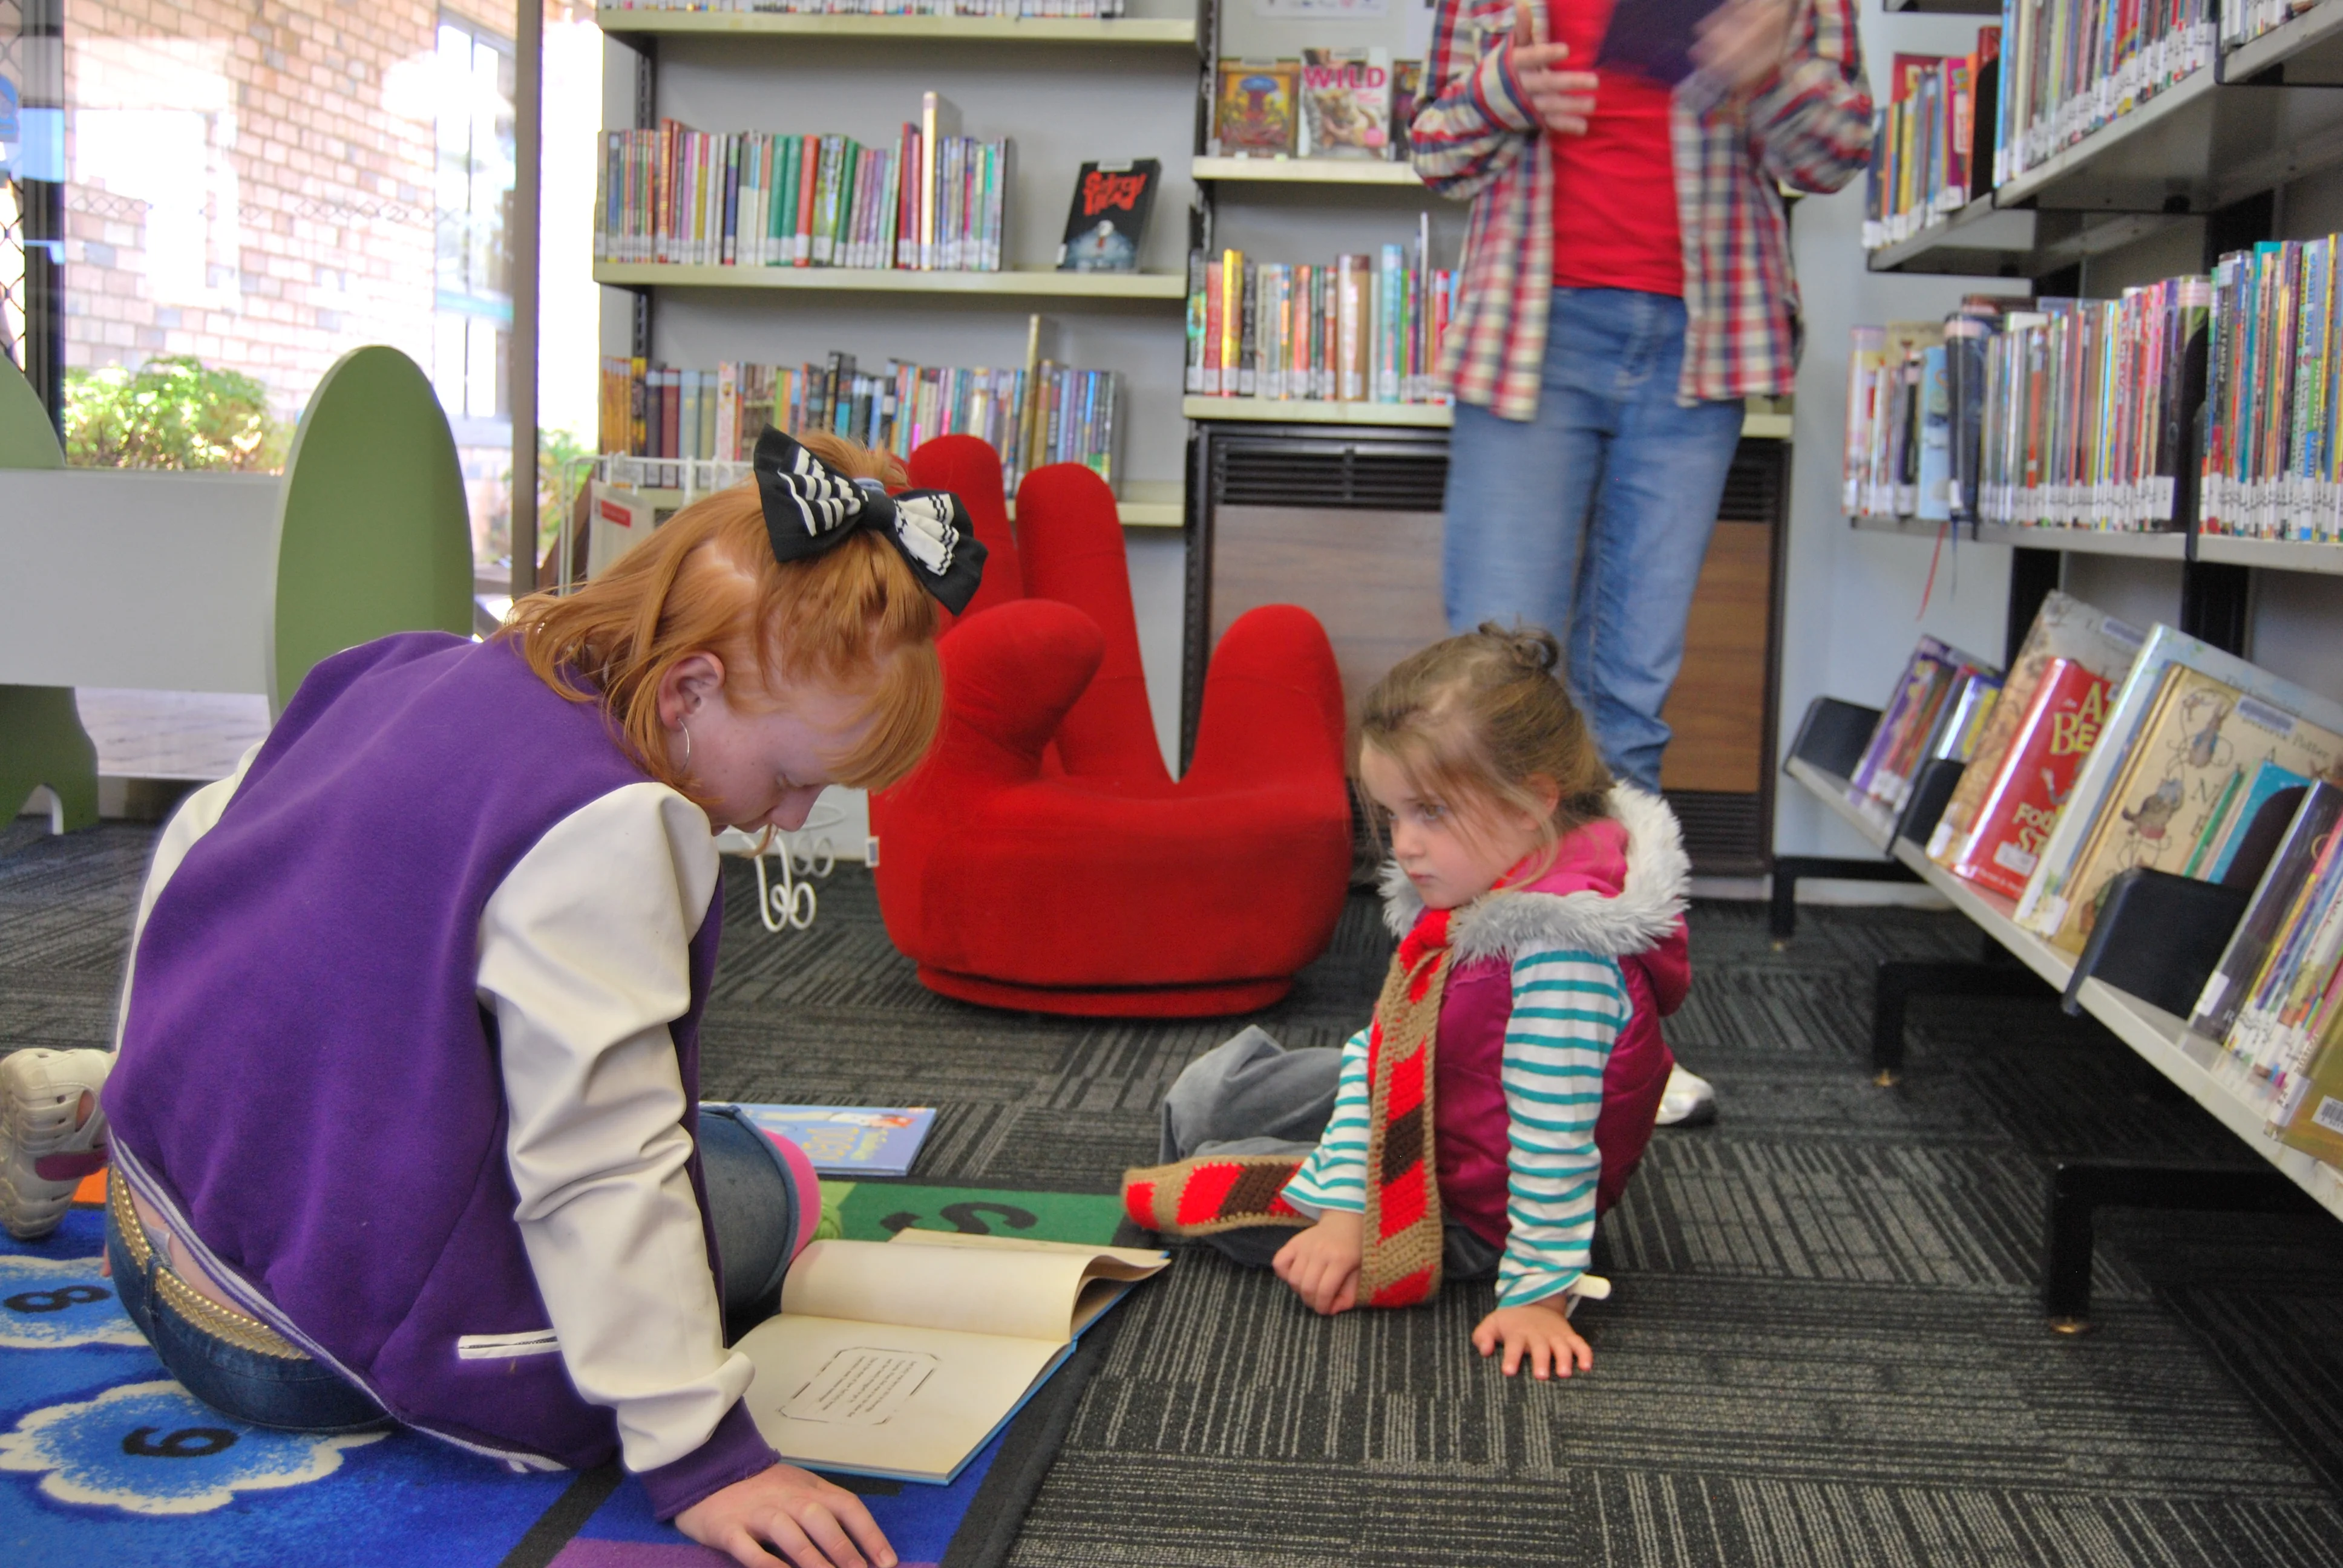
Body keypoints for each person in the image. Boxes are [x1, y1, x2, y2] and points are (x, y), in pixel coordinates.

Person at [0, 428, 989, 1568]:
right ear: (690, 689)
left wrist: (151, 1082)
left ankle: (109, 1093)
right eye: (791, 777)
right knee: (759, 1190)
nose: (789, 817)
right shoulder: (610, 828)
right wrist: (702, 1456)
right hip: (293, 1354)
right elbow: (604, 1164)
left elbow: (203, 851)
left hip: (144, 1228)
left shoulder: (401, 669)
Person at [1410, 0, 1873, 1127]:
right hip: (1529, 332)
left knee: (1631, 703)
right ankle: (1453, 1018)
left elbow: (1837, 152)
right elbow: (1432, 147)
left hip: (1700, 343)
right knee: (1485, 699)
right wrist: (1505, 90)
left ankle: (1608, 1035)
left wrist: (1769, 72)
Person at [1122, 626, 1690, 1378]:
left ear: (1532, 802)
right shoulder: (1495, 872)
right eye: (1394, 814)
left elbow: (1554, 1143)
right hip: (1435, 1102)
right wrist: (1346, 1201)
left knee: (1195, 1185)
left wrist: (1537, 1297)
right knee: (1207, 1095)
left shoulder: (1561, 956)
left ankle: (1262, 1181)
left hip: (1472, 1209)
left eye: (1429, 812)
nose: (1404, 845)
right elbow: (1387, 1047)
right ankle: (1287, 1167)